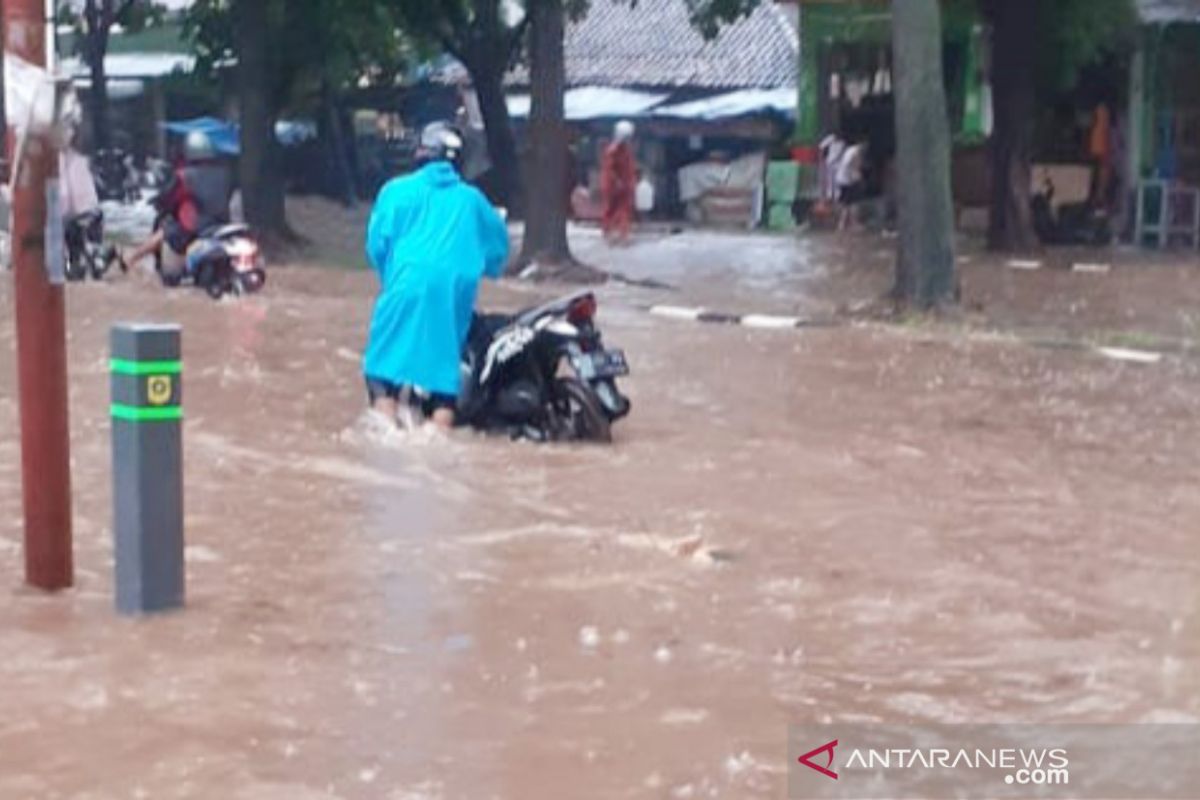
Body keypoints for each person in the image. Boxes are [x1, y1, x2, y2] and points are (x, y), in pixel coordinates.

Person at [363, 121, 510, 431]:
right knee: (445, 377)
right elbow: (498, 247)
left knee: (380, 371)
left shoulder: (395, 191)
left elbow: (377, 245)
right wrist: (489, 268)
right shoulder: (473, 200)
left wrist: (390, 278)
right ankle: (438, 436)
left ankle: (387, 434)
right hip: (454, 294)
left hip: (405, 284)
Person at [124, 130, 233, 279]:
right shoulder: (224, 173)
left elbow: (171, 197)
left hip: (197, 226)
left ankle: (131, 258)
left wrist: (160, 202)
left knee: (165, 232)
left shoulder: (184, 175)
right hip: (222, 223)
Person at [601, 120, 637, 245]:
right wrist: (617, 182)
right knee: (611, 209)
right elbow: (610, 169)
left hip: (624, 185)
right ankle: (609, 233)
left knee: (624, 210)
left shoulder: (625, 149)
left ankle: (622, 234)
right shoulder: (613, 150)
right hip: (614, 186)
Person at [835, 138, 868, 231]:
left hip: (841, 179)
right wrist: (857, 177)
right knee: (854, 202)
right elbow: (853, 165)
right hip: (848, 180)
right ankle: (854, 224)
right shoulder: (856, 152)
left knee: (846, 203)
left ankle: (841, 224)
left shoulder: (850, 150)